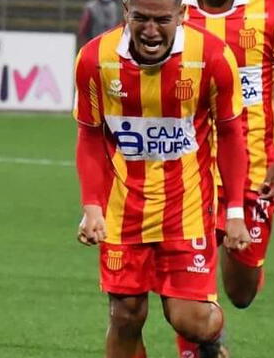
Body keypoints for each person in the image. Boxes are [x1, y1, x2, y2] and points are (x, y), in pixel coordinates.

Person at [73, 0, 252, 357]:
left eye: (161, 20)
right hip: (123, 210)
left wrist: (234, 213)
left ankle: (211, 344)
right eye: (140, 18)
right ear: (126, 11)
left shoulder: (212, 57)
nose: (150, 31)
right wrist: (91, 206)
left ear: (182, 15)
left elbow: (231, 135)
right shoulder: (96, 58)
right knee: (125, 315)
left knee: (191, 320)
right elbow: (90, 135)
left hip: (186, 210)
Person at [177, 0, 274, 356]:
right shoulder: (177, 12)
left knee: (241, 293)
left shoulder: (272, 11)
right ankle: (202, 345)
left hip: (256, 174)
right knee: (189, 282)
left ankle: (235, 285)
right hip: (192, 174)